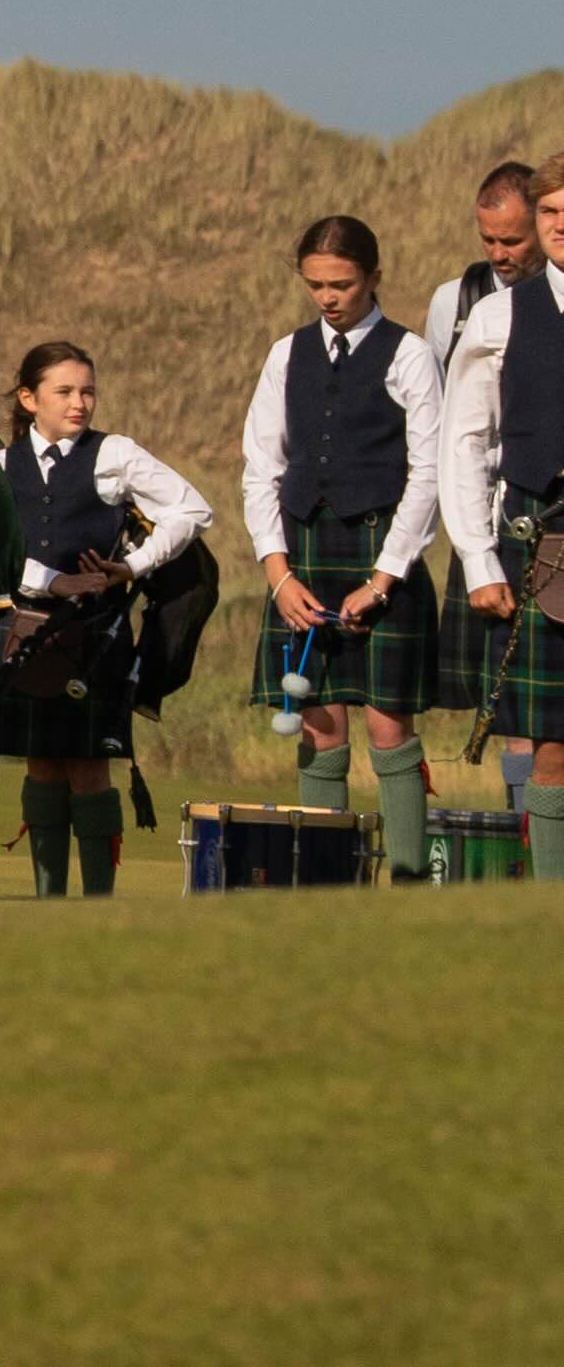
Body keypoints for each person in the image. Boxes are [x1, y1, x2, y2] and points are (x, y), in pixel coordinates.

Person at [233, 217, 441, 876]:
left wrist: (384, 578)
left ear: (374, 277)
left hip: (384, 553)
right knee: (318, 724)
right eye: (315, 284)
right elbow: (261, 469)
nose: (327, 297)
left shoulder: (410, 355)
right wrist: (277, 574)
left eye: (342, 285)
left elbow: (429, 473)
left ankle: (407, 879)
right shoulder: (285, 354)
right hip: (303, 556)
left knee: (388, 727)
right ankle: (324, 886)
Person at [0, 342, 210, 899]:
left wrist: (133, 566)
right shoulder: (1, 466)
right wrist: (47, 580)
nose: (79, 403)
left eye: (87, 392)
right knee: (40, 765)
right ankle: (48, 900)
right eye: (64, 392)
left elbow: (193, 509)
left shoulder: (114, 455)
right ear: (29, 399)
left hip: (96, 638)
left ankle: (99, 903)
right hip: (25, 636)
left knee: (89, 768)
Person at [421, 175, 564, 871]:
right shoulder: (498, 317)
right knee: (553, 744)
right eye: (550, 211)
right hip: (541, 541)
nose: (559, 223)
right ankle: (548, 904)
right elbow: (463, 443)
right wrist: (479, 559)